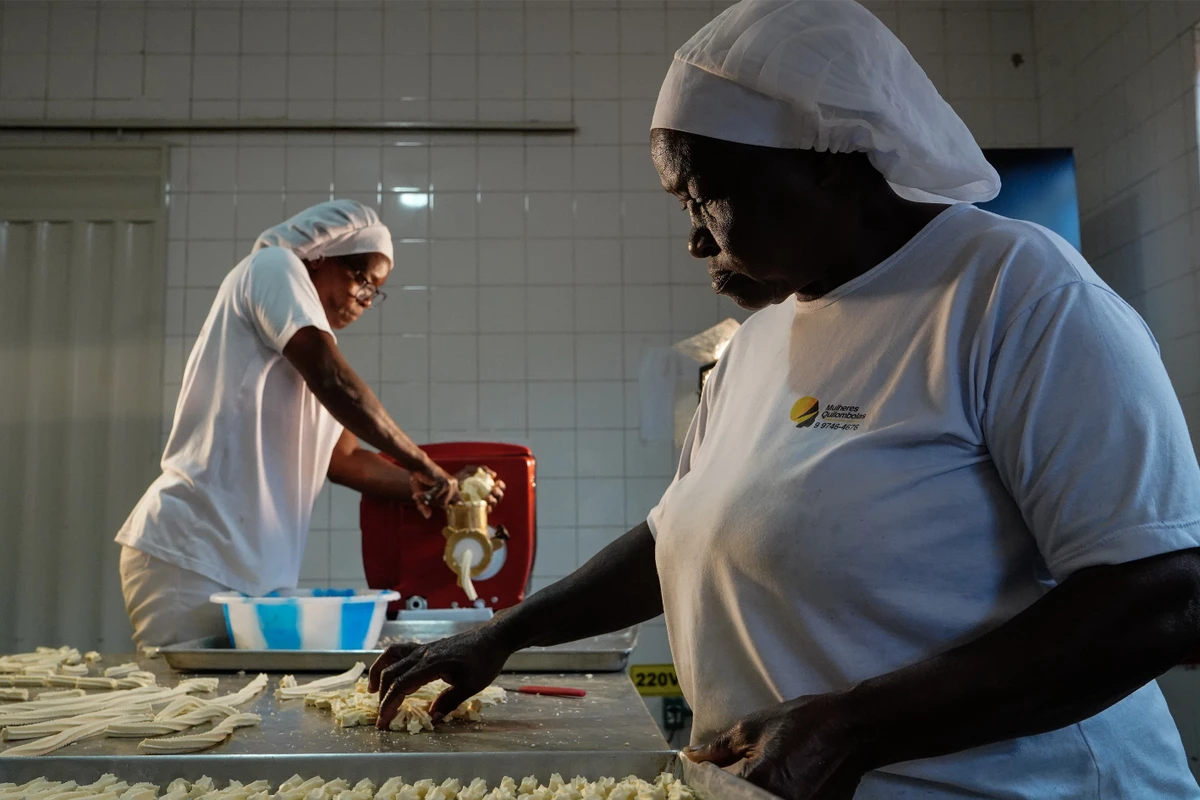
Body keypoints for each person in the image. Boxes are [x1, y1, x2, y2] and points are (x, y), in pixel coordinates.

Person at [368, 2, 1200, 799]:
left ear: (831, 165)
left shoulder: (1015, 294)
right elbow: (680, 534)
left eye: (705, 198)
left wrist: (853, 729)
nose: (695, 237)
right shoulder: (760, 339)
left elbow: (1161, 593)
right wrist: (502, 634)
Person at [116, 200, 503, 648]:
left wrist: (440, 487)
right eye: (361, 278)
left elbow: (347, 460)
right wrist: (421, 460)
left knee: (238, 707)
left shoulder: (303, 351)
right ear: (319, 256)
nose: (365, 297)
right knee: (188, 708)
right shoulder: (273, 267)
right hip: (194, 554)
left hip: (253, 572)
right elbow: (335, 380)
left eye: (375, 291)